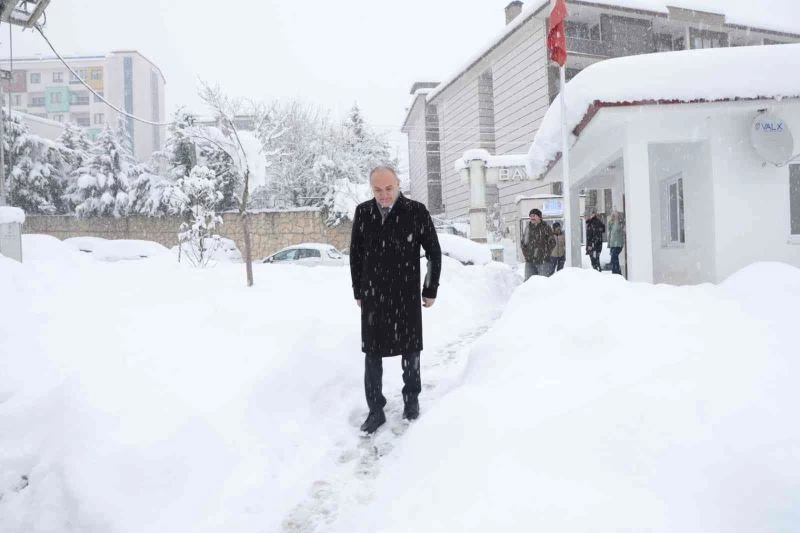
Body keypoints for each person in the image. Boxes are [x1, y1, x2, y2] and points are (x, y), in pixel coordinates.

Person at [349, 166, 442, 434]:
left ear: (398, 184)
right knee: (372, 354)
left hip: (405, 294)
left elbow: (433, 252)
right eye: (377, 190)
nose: (384, 195)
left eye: (388, 188)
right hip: (373, 296)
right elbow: (356, 255)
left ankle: (411, 400)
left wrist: (430, 289)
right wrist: (358, 291)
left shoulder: (416, 211)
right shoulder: (363, 213)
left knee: (410, 350)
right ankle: (375, 409)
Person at [520, 208, 554, 280]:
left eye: (534, 215)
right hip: (530, 261)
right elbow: (523, 243)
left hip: (543, 261)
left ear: (539, 217)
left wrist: (545, 254)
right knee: (528, 282)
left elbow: (552, 243)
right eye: (531, 216)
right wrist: (527, 255)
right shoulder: (528, 228)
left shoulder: (546, 227)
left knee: (543, 282)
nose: (532, 218)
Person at [585, 207, 605, 272]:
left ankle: (597, 272)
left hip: (595, 245)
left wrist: (591, 245)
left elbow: (596, 233)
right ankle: (597, 271)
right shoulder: (589, 223)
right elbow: (589, 236)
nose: (587, 216)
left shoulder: (595, 222)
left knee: (595, 260)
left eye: (589, 214)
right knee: (594, 260)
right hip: (593, 245)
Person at [607, 210, 625, 275]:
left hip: (618, 244)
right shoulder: (611, 223)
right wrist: (609, 245)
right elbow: (609, 234)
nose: (615, 216)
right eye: (614, 215)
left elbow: (617, 229)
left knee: (614, 258)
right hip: (612, 244)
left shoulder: (620, 223)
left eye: (616, 215)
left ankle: (616, 273)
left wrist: (617, 220)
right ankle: (616, 273)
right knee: (614, 259)